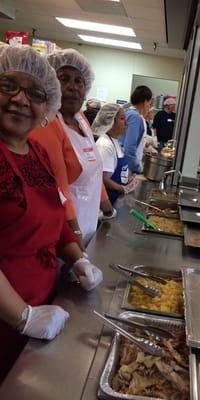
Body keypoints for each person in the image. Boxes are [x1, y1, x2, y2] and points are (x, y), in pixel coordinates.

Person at [0, 45, 103, 382]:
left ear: (47, 106)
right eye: (8, 86)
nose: (20, 99)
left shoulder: (38, 152)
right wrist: (23, 316)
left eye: (34, 93)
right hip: (8, 316)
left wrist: (77, 258)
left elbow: (57, 216)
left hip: (43, 305)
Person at [30, 49, 104, 247]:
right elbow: (59, 189)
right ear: (50, 83)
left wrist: (108, 208)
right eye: (64, 79)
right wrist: (76, 239)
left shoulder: (80, 118)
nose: (73, 87)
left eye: (79, 81)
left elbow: (95, 170)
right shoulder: (48, 122)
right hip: (65, 235)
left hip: (88, 225)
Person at [94, 104, 138, 203]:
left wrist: (128, 179)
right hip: (108, 203)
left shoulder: (115, 141)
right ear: (109, 122)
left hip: (116, 200)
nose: (126, 123)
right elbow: (103, 179)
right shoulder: (104, 145)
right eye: (122, 119)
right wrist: (123, 188)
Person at [120, 85, 153, 173]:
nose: (149, 107)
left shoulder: (128, 113)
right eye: (150, 104)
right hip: (126, 168)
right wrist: (137, 168)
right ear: (146, 102)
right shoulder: (135, 117)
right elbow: (129, 148)